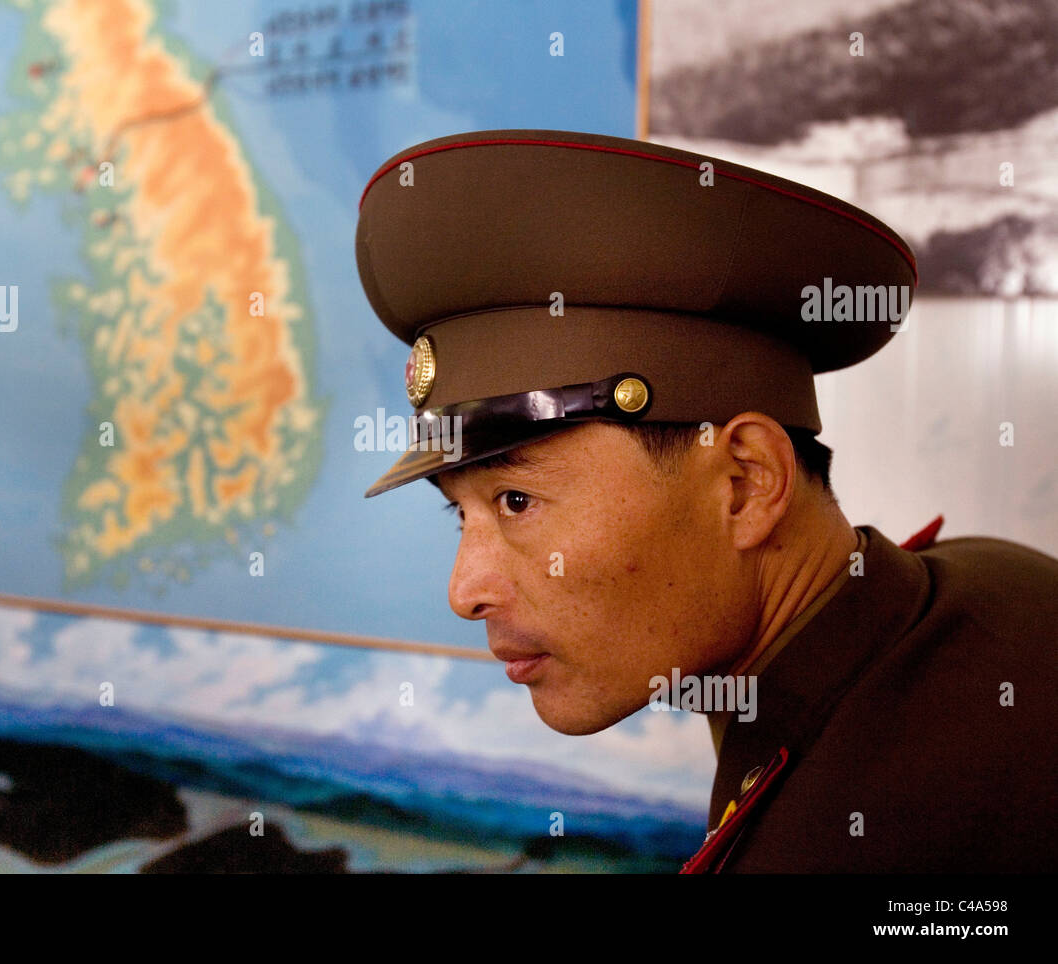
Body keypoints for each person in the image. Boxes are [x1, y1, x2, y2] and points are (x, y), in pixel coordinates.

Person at [356, 129, 1058, 872]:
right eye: (458, 512)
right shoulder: (987, 584)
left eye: (518, 500)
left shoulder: (882, 835)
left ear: (745, 483)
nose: (464, 592)